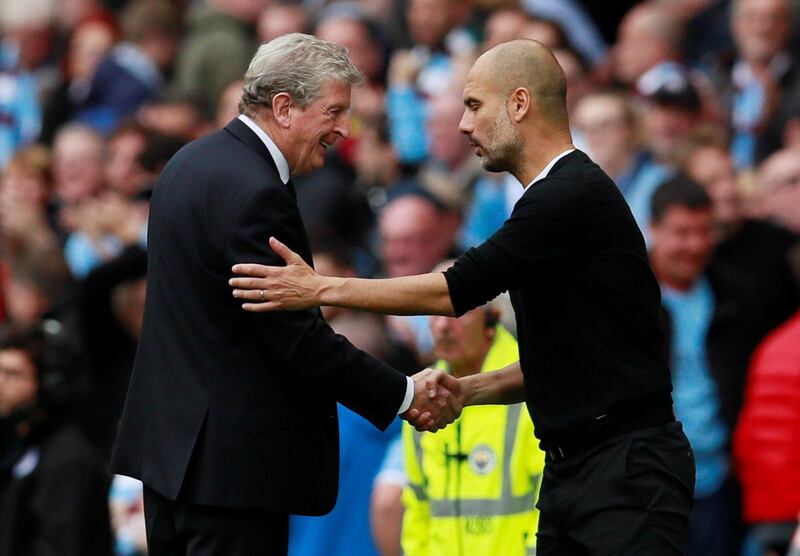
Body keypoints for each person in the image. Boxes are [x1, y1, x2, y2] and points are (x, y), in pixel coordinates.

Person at [230, 39, 695, 554]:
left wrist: (321, 289)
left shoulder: (568, 195)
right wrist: (468, 391)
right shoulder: (555, 199)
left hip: (626, 469)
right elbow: (568, 359)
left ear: (519, 104)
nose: (463, 125)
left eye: (474, 105)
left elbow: (455, 289)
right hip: (578, 469)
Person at [111, 34, 460, 556]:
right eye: (334, 112)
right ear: (284, 108)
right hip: (231, 476)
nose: (344, 130)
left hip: (171, 463)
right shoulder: (256, 191)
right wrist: (403, 395)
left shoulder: (189, 162)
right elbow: (294, 337)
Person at [402, 286, 544, 556]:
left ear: (491, 321)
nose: (443, 326)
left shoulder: (530, 383)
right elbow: (417, 504)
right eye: (433, 315)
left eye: (456, 314)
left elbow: (548, 495)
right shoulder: (422, 394)